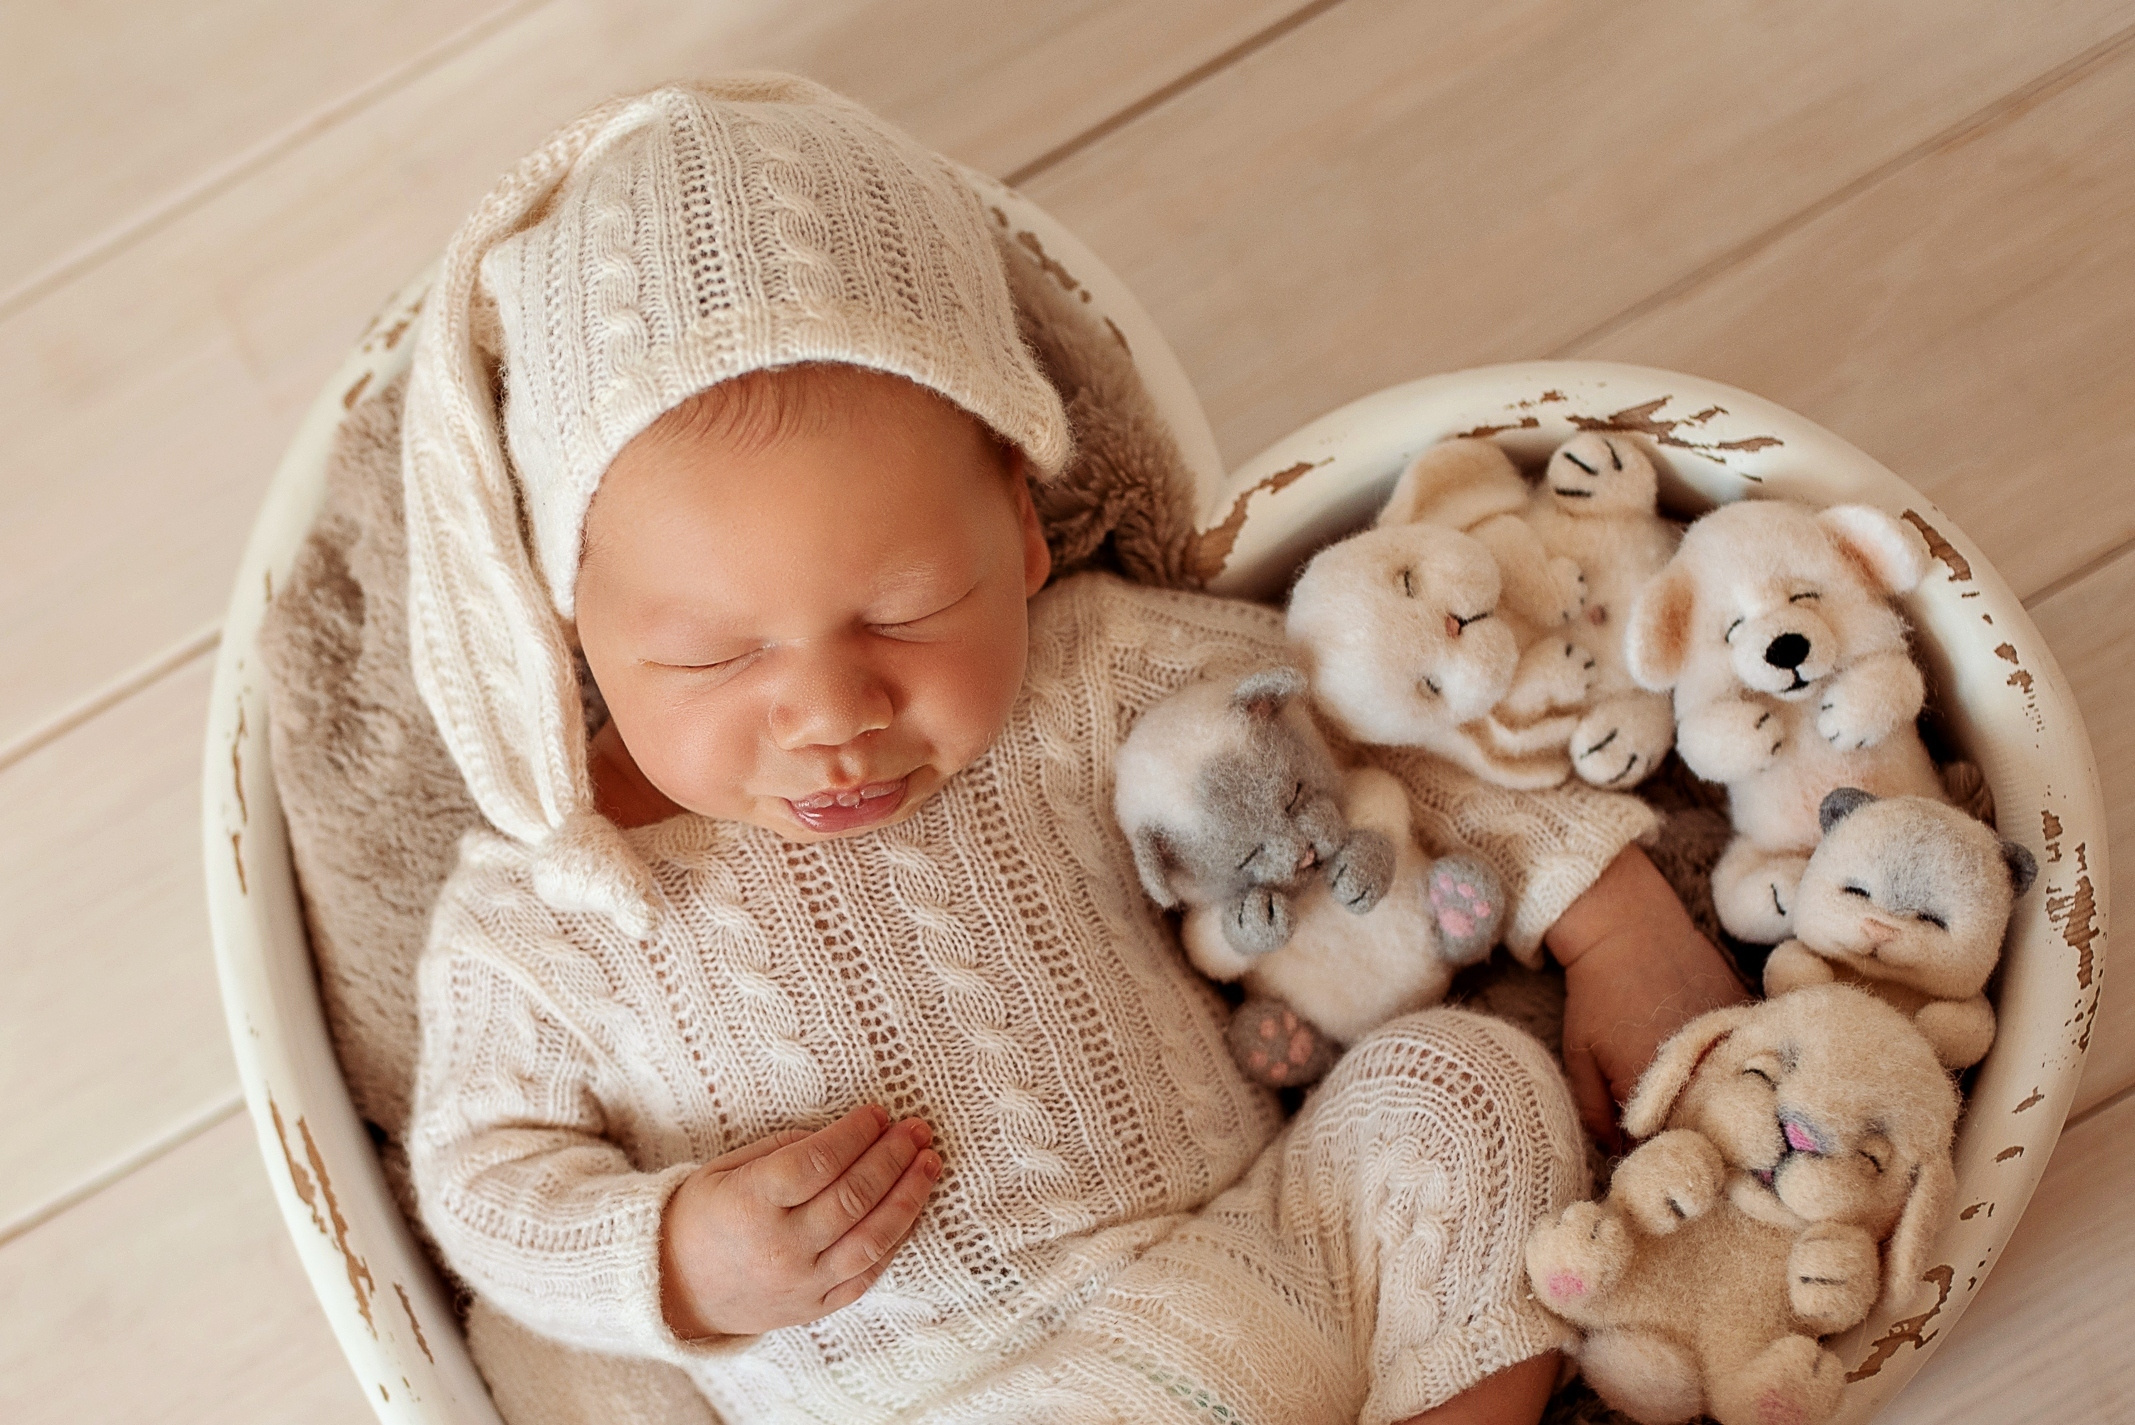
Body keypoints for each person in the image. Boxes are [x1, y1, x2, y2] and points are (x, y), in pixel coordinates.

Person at [403, 75, 1743, 1425]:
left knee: (1471, 1088)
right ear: (569, 627)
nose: (833, 714)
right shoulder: (541, 910)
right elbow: (481, 1179)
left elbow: (1353, 737)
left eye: (907, 609)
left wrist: (1605, 912)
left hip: (1261, 1267)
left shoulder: (1085, 670)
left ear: (1024, 527)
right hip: (947, 1398)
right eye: (714, 655)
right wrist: (672, 1254)